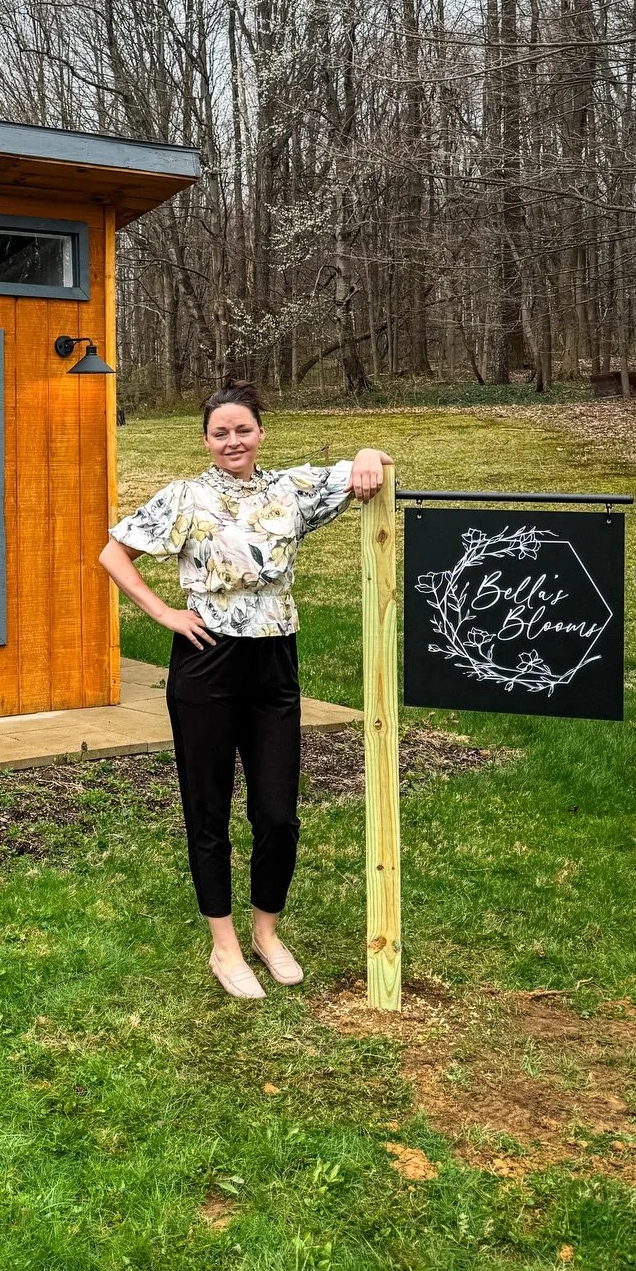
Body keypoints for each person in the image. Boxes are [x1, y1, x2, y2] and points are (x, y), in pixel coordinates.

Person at [99, 382, 390, 1000]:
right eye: (220, 432)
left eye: (243, 429)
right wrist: (165, 615)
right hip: (206, 663)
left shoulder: (290, 490)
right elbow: (112, 553)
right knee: (209, 810)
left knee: (277, 813)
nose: (233, 441)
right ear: (206, 440)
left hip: (275, 662)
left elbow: (368, 469)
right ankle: (224, 945)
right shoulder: (185, 496)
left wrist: (368, 449)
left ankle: (266, 932)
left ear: (261, 433)